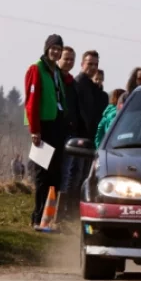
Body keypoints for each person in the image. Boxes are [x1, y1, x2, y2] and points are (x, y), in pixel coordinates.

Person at [24, 34, 68, 229]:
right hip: (43, 126)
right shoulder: (37, 69)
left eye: (59, 48)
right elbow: (31, 102)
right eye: (53, 48)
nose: (56, 51)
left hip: (57, 124)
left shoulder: (56, 71)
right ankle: (37, 216)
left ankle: (48, 217)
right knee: (42, 174)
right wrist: (35, 130)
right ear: (47, 49)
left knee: (55, 175)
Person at [57, 46, 85, 220]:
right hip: (54, 133)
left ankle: (59, 213)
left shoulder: (72, 82)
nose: (69, 62)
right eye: (66, 59)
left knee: (67, 174)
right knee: (55, 173)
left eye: (71, 59)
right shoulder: (54, 79)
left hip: (70, 133)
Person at [75, 50, 107, 149]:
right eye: (90, 64)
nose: (93, 67)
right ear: (82, 64)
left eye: (96, 64)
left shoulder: (91, 86)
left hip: (89, 138)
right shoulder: (78, 84)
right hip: (80, 138)